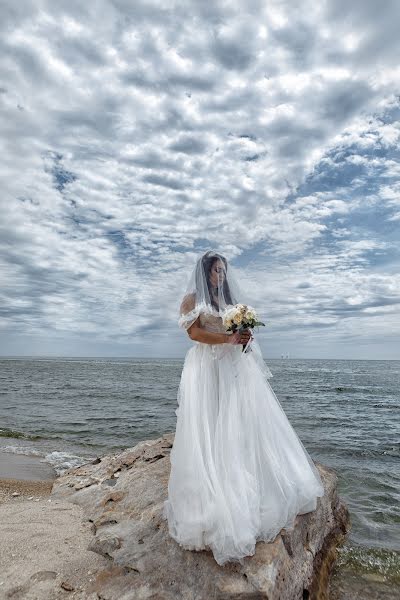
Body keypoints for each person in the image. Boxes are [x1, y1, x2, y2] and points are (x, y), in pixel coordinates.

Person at [162, 249, 324, 567]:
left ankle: (248, 483)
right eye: (215, 271)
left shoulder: (230, 303)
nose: (220, 276)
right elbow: (193, 333)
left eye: (223, 271)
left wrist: (244, 337)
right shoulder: (192, 299)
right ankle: (212, 496)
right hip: (207, 369)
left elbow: (240, 338)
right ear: (204, 272)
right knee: (211, 423)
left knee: (240, 425)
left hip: (234, 368)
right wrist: (227, 340)